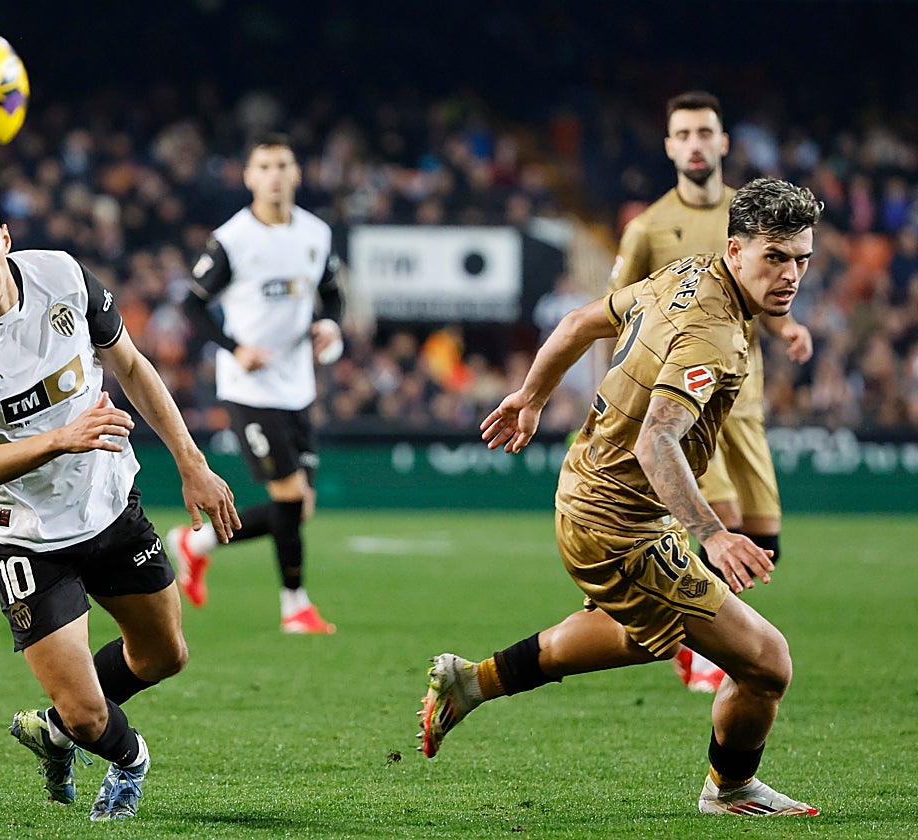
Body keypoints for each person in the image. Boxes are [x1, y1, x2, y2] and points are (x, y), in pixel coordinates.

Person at [421, 177, 823, 818]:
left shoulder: (685, 274)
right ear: (736, 248)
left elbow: (580, 321)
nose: (791, 274)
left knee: (642, 633)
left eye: (802, 258)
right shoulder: (710, 332)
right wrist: (714, 533)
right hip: (619, 520)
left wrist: (531, 396)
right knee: (767, 664)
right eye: (774, 256)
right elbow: (658, 443)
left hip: (596, 497)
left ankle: (472, 683)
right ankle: (731, 790)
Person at [0, 178, 239, 821]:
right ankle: (126, 756)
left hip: (109, 503)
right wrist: (61, 438)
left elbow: (133, 367)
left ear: (5, 238)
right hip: (25, 534)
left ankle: (51, 731)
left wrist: (191, 463)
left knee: (165, 654)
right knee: (92, 717)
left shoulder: (62, 276)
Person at [608, 91, 813, 692]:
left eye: (705, 132)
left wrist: (788, 326)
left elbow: (766, 290)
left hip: (745, 401)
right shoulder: (646, 228)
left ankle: (698, 636)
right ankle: (708, 655)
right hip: (690, 403)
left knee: (763, 533)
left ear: (723, 143)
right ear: (670, 146)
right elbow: (622, 313)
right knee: (718, 520)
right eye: (684, 134)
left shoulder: (752, 217)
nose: (696, 143)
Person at [167, 132, 344, 634]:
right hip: (250, 389)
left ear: (297, 174)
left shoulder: (314, 233)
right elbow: (191, 304)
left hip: (297, 386)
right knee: (288, 496)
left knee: (299, 508)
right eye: (263, 166)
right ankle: (295, 607)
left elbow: (331, 295)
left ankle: (194, 544)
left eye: (282, 165)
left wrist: (329, 325)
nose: (274, 175)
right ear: (248, 177)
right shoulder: (233, 239)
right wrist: (233, 348)